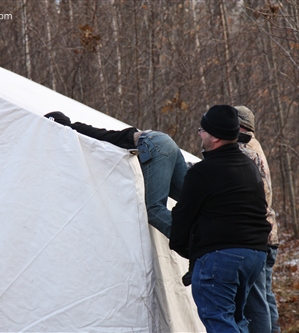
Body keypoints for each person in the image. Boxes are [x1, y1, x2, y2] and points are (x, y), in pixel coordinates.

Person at [169, 105, 271, 332]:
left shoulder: (202, 172)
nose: (200, 134)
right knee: (237, 320)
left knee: (219, 321)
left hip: (221, 258)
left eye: (202, 130)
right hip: (255, 254)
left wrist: (186, 248)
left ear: (215, 137)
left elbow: (182, 218)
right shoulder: (249, 166)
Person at [44, 111, 187, 238]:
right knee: (193, 198)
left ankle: (193, 240)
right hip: (163, 141)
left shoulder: (74, 133)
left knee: (153, 208)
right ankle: (207, 237)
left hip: (151, 144)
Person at [236, 105, 280, 333]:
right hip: (269, 233)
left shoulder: (244, 149)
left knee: (256, 304)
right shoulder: (255, 145)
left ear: (240, 126)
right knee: (266, 297)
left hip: (259, 236)